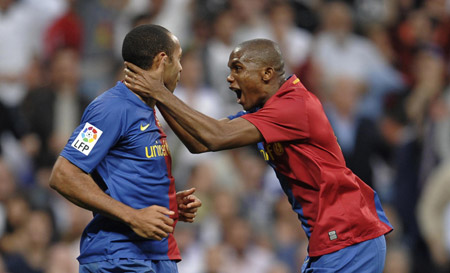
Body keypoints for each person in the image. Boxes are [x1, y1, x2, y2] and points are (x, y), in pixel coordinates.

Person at [123, 38, 394, 272]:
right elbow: (200, 142)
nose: (230, 78)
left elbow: (214, 136)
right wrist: (159, 96)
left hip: (349, 235)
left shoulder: (294, 106)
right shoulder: (267, 111)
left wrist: (158, 91)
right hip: (334, 238)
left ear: (266, 73)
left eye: (238, 69)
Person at [49, 24, 202, 273]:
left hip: (155, 255)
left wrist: (168, 203)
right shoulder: (109, 108)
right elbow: (63, 174)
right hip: (119, 257)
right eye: (179, 58)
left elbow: (126, 175)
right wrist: (133, 216)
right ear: (162, 61)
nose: (181, 68)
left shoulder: (146, 109)